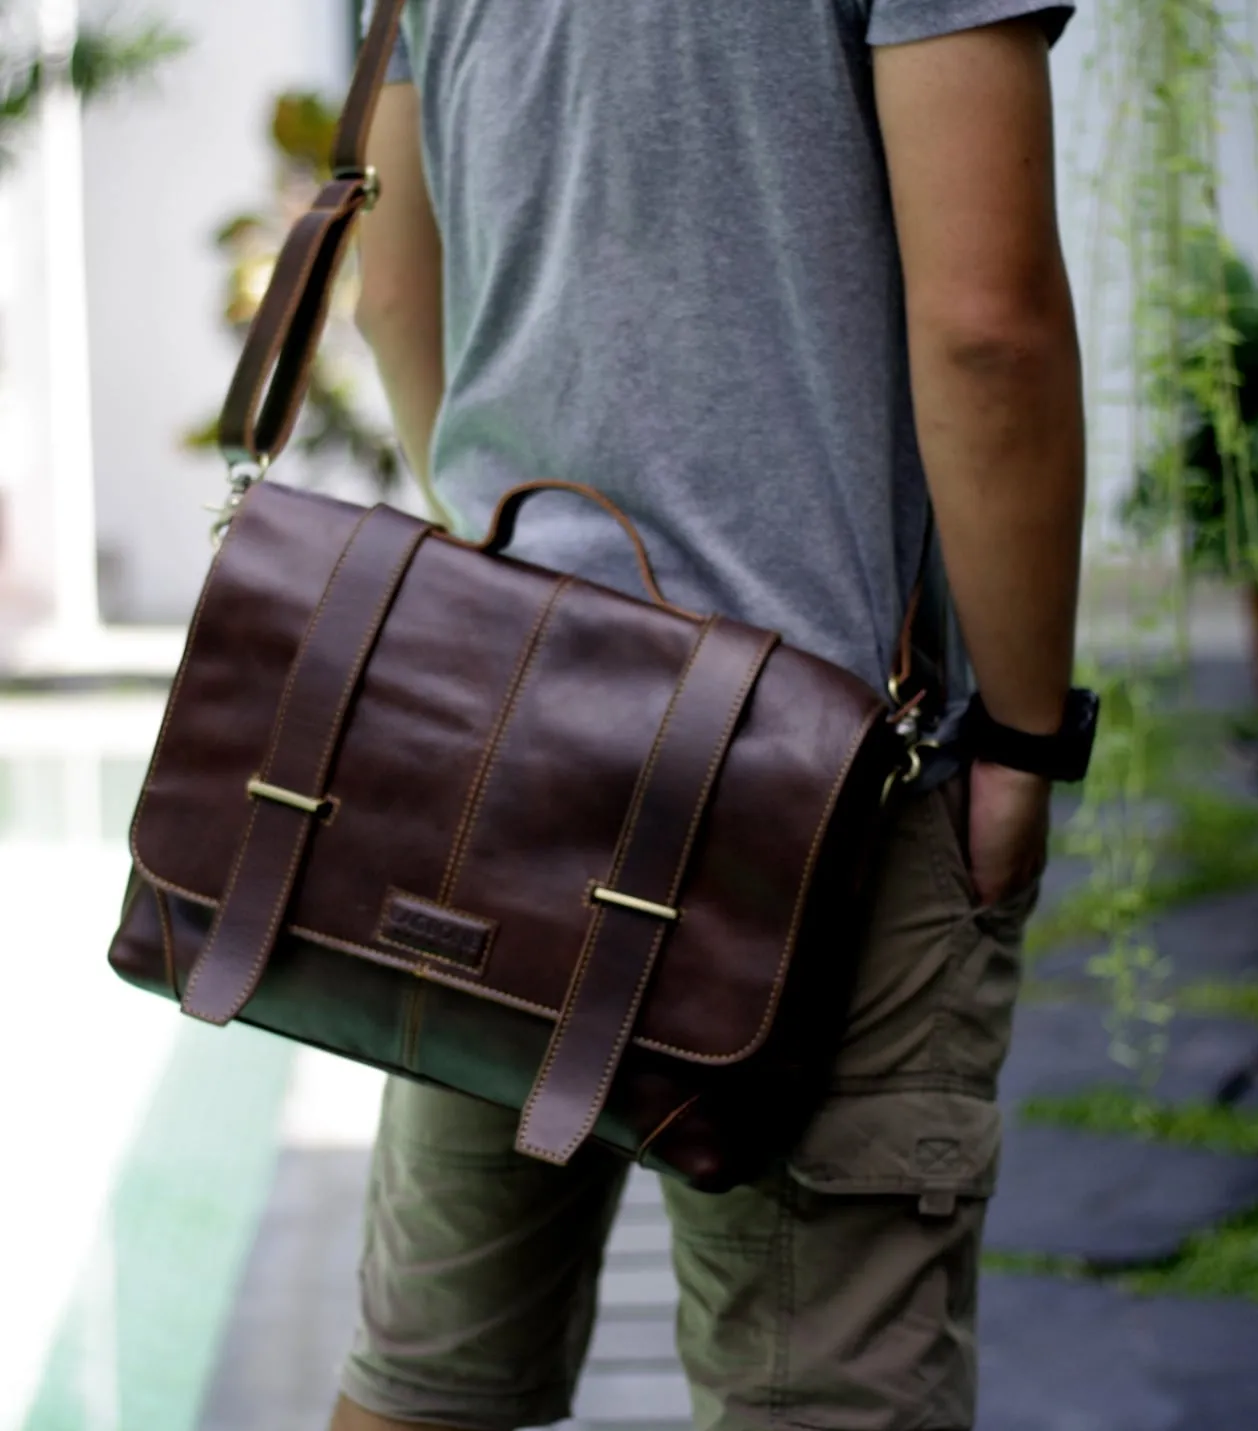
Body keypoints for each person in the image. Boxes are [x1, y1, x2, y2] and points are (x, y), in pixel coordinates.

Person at [336, 1, 1087, 1427]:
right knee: (825, 1395)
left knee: (426, 1382)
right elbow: (989, 332)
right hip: (830, 776)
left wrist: (535, 593)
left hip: (518, 733)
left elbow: (390, 291)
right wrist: (1030, 746)